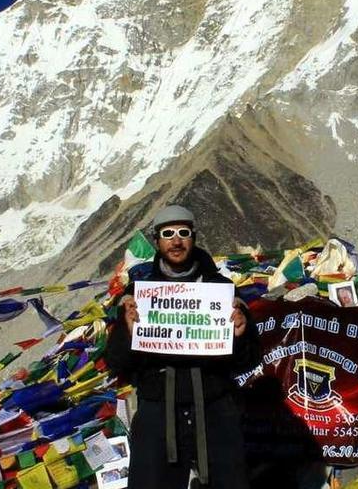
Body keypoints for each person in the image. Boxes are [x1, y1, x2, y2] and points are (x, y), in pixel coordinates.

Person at [106, 205, 252, 489]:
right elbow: (117, 364)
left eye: (183, 233)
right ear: (157, 241)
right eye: (168, 233)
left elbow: (248, 359)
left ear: (194, 237)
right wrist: (127, 331)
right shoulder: (138, 295)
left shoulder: (222, 290)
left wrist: (241, 335)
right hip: (158, 411)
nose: (176, 241)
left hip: (215, 411)